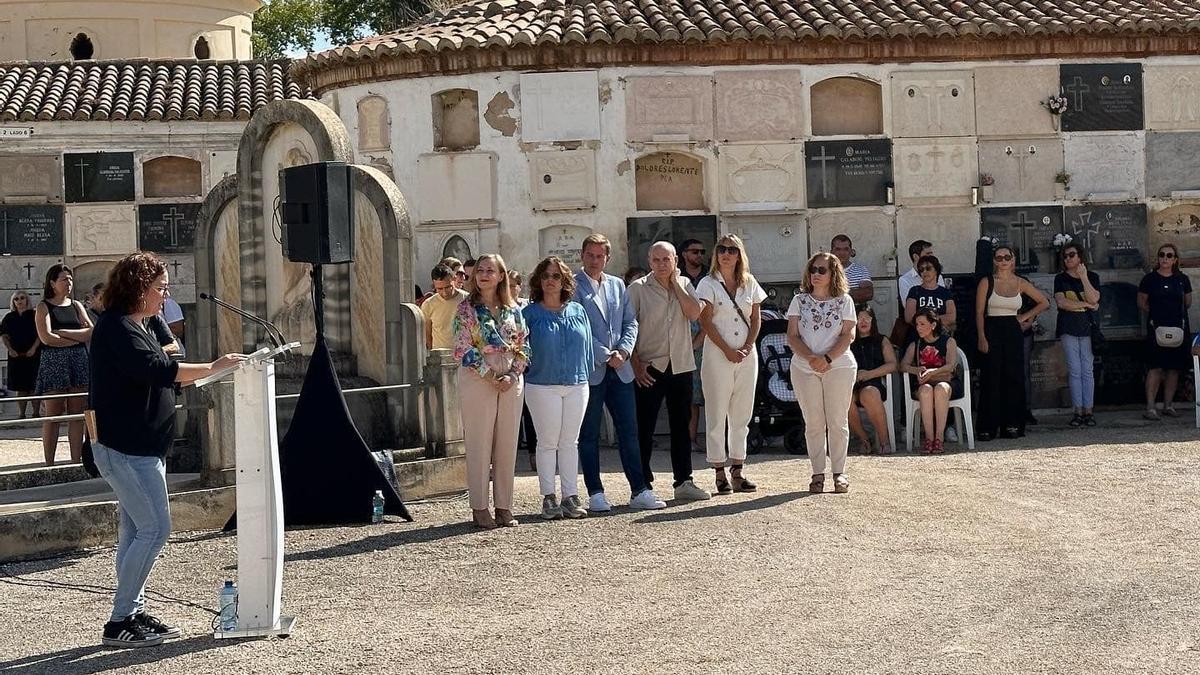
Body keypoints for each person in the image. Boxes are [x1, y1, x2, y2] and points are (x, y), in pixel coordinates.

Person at [89, 252, 245, 648]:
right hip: (124, 447)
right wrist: (213, 366)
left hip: (144, 446)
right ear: (138, 288)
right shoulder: (116, 328)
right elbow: (159, 372)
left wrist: (213, 369)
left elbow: (169, 363)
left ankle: (131, 612)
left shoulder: (141, 323)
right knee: (156, 529)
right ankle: (119, 620)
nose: (166, 294)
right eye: (159, 288)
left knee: (134, 531)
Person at [574, 233, 666, 512]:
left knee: (630, 431)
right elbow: (580, 326)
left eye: (599, 256)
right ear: (582, 256)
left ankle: (639, 489)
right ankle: (595, 492)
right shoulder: (574, 286)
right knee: (589, 433)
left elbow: (630, 323)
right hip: (593, 368)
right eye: (590, 255)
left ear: (607, 258)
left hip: (622, 369)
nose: (594, 260)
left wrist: (624, 352)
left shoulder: (616, 285)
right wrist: (606, 354)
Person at [453, 254, 531, 529]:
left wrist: (512, 374)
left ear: (501, 276)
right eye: (481, 270)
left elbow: (524, 346)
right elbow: (462, 347)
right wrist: (490, 376)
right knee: (479, 442)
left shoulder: (513, 309)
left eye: (491, 270)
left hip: (510, 377)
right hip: (478, 376)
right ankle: (479, 506)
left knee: (507, 443)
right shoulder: (466, 309)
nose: (484, 274)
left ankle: (504, 506)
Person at [628, 242, 708, 501]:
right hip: (650, 367)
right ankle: (643, 484)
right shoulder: (638, 289)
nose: (662, 264)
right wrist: (636, 362)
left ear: (676, 261)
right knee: (645, 427)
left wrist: (676, 285)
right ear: (650, 261)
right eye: (657, 260)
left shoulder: (685, 284)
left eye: (667, 259)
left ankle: (684, 480)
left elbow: (695, 314)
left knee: (681, 426)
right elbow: (626, 328)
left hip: (681, 365)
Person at [522, 256, 592, 520]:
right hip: (542, 384)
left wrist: (585, 376)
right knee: (548, 442)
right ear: (539, 281)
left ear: (565, 281)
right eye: (546, 276)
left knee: (570, 442)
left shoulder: (578, 311)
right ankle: (549, 496)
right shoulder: (529, 315)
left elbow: (586, 348)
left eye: (556, 276)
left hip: (577, 383)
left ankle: (570, 496)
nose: (551, 281)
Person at [697, 234, 766, 494]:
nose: (726, 254)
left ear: (739, 255)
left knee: (742, 413)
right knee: (716, 413)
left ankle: (738, 468)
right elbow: (706, 321)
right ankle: (718, 471)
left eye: (732, 250)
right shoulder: (707, 283)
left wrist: (748, 346)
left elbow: (756, 318)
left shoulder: (749, 283)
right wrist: (727, 349)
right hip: (718, 354)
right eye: (722, 249)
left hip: (747, 354)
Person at [787, 251, 857, 494]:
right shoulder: (799, 300)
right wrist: (811, 358)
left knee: (837, 420)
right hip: (804, 366)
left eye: (821, 270)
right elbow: (792, 336)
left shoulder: (844, 300)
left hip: (838, 365)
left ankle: (839, 472)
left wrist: (827, 358)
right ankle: (817, 473)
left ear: (832, 274)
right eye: (812, 270)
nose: (815, 274)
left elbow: (848, 334)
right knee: (813, 421)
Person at [974, 245, 1050, 440]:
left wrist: (1025, 316)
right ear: (994, 261)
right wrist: (981, 336)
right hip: (991, 329)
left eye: (1007, 257)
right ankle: (987, 427)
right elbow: (979, 312)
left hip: (1013, 330)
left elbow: (1044, 302)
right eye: (999, 258)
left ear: (1013, 259)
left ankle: (1012, 425)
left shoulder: (1021, 283)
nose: (1003, 261)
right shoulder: (987, 281)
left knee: (1014, 378)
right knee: (991, 378)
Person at [34, 264, 92, 466]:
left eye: (70, 279)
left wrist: (64, 333)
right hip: (54, 362)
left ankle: (76, 460)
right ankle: (49, 462)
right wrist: (75, 338)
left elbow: (89, 331)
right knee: (53, 414)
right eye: (63, 279)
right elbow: (47, 338)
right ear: (52, 283)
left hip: (78, 361)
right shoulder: (44, 307)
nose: (68, 283)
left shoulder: (76, 305)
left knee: (77, 414)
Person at [1138, 243, 1193, 420]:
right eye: (1162, 255)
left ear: (1175, 259)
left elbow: (1188, 302)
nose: (1165, 259)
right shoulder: (1150, 279)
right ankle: (1151, 407)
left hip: (1178, 327)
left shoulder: (1182, 279)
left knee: (1173, 368)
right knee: (1156, 367)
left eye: (1169, 256)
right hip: (1157, 328)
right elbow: (1142, 302)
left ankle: (1168, 405)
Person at [901, 308, 962, 454]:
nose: (918, 328)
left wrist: (933, 372)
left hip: (946, 382)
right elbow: (902, 365)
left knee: (940, 388)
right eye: (916, 324)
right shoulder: (915, 344)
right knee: (927, 390)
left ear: (933, 325)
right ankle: (929, 439)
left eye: (922, 324)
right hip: (925, 384)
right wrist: (917, 370)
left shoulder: (948, 341)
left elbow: (950, 366)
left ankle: (939, 438)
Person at [1054, 242, 1101, 427]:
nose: (1068, 259)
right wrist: (1087, 305)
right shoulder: (1060, 278)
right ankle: (1077, 411)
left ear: (1080, 256)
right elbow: (1062, 302)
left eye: (1071, 255)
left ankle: (1088, 410)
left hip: (1087, 328)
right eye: (1065, 256)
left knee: (1087, 370)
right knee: (1074, 369)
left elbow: (1094, 297)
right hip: (1068, 327)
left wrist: (1083, 277)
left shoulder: (1092, 277)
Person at [847, 307, 896, 455]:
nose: (863, 321)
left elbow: (892, 364)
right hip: (852, 383)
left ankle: (883, 441)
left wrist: (869, 374)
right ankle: (864, 439)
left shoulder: (881, 340)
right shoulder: (847, 341)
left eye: (867, 317)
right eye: (859, 317)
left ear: (873, 320)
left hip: (874, 381)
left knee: (868, 393)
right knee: (843, 398)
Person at [678, 239, 708, 451]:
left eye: (702, 251)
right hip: (684, 340)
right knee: (692, 397)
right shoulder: (677, 279)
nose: (699, 255)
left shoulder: (710, 277)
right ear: (684, 254)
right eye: (694, 251)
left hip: (713, 340)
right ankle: (690, 439)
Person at [1, 291, 40, 419]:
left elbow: (40, 334)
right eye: (16, 299)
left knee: (34, 386)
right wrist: (10, 349)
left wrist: (34, 348)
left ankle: (36, 413)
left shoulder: (34, 315)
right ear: (13, 302)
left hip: (33, 355)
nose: (19, 301)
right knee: (21, 387)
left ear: (27, 300)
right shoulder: (9, 318)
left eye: (22, 298)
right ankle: (22, 414)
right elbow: (4, 336)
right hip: (16, 356)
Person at [904, 254, 956, 335]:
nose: (924, 272)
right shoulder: (914, 291)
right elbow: (909, 317)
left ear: (936, 270)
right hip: (919, 336)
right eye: (921, 269)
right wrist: (934, 321)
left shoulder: (945, 292)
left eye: (928, 268)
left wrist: (926, 321)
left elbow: (951, 317)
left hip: (940, 335)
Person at [421, 263, 468, 350]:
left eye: (447, 287)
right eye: (439, 289)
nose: (444, 293)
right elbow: (427, 335)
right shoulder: (428, 304)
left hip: (465, 356)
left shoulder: (467, 300)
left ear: (454, 279)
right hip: (440, 357)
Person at [898, 239, 945, 308]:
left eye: (932, 253)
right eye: (928, 254)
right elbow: (908, 306)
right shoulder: (905, 280)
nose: (932, 257)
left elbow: (944, 301)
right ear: (915, 257)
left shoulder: (938, 276)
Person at [831, 234, 874, 304]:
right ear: (831, 252)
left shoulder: (861, 270)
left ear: (851, 251)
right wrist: (855, 292)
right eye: (838, 249)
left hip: (855, 312)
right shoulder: (824, 271)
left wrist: (836, 293)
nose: (842, 253)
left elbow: (868, 294)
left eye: (846, 249)